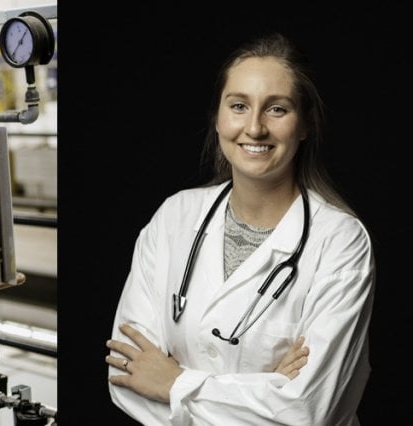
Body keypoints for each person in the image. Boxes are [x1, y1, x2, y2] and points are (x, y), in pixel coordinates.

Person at [105, 32, 375, 425]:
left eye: (277, 109)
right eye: (238, 106)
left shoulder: (340, 242)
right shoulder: (173, 217)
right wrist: (265, 389)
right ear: (217, 118)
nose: (255, 127)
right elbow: (127, 377)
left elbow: (306, 412)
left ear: (305, 125)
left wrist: (174, 382)